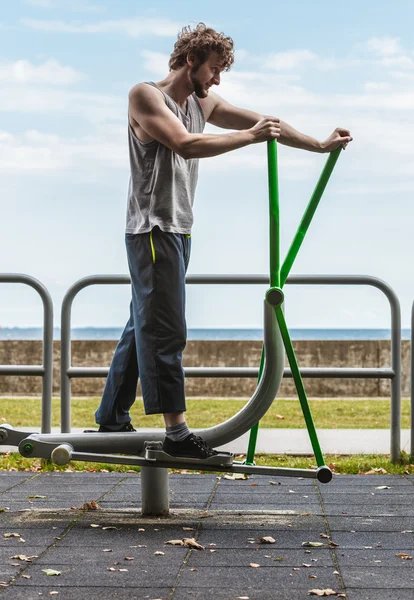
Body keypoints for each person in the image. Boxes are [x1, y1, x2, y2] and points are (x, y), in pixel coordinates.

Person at [94, 23, 352, 459]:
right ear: (191, 60)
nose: (217, 80)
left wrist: (318, 146)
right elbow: (184, 144)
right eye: (214, 69)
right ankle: (177, 436)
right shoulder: (146, 96)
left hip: (179, 228)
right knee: (167, 330)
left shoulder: (202, 100)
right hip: (152, 230)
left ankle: (110, 419)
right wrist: (250, 139)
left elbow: (264, 122)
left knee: (144, 325)